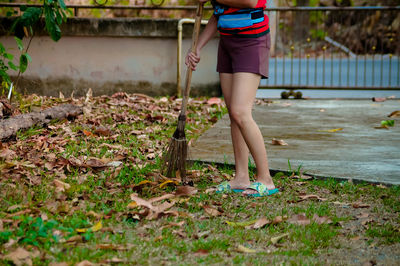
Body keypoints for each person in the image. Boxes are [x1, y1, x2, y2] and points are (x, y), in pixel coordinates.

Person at [186, 0, 278, 197]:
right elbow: (219, 13)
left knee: (241, 111)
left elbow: (250, 1)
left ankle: (266, 179)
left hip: (252, 41)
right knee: (233, 113)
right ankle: (241, 177)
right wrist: (198, 47)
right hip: (227, 43)